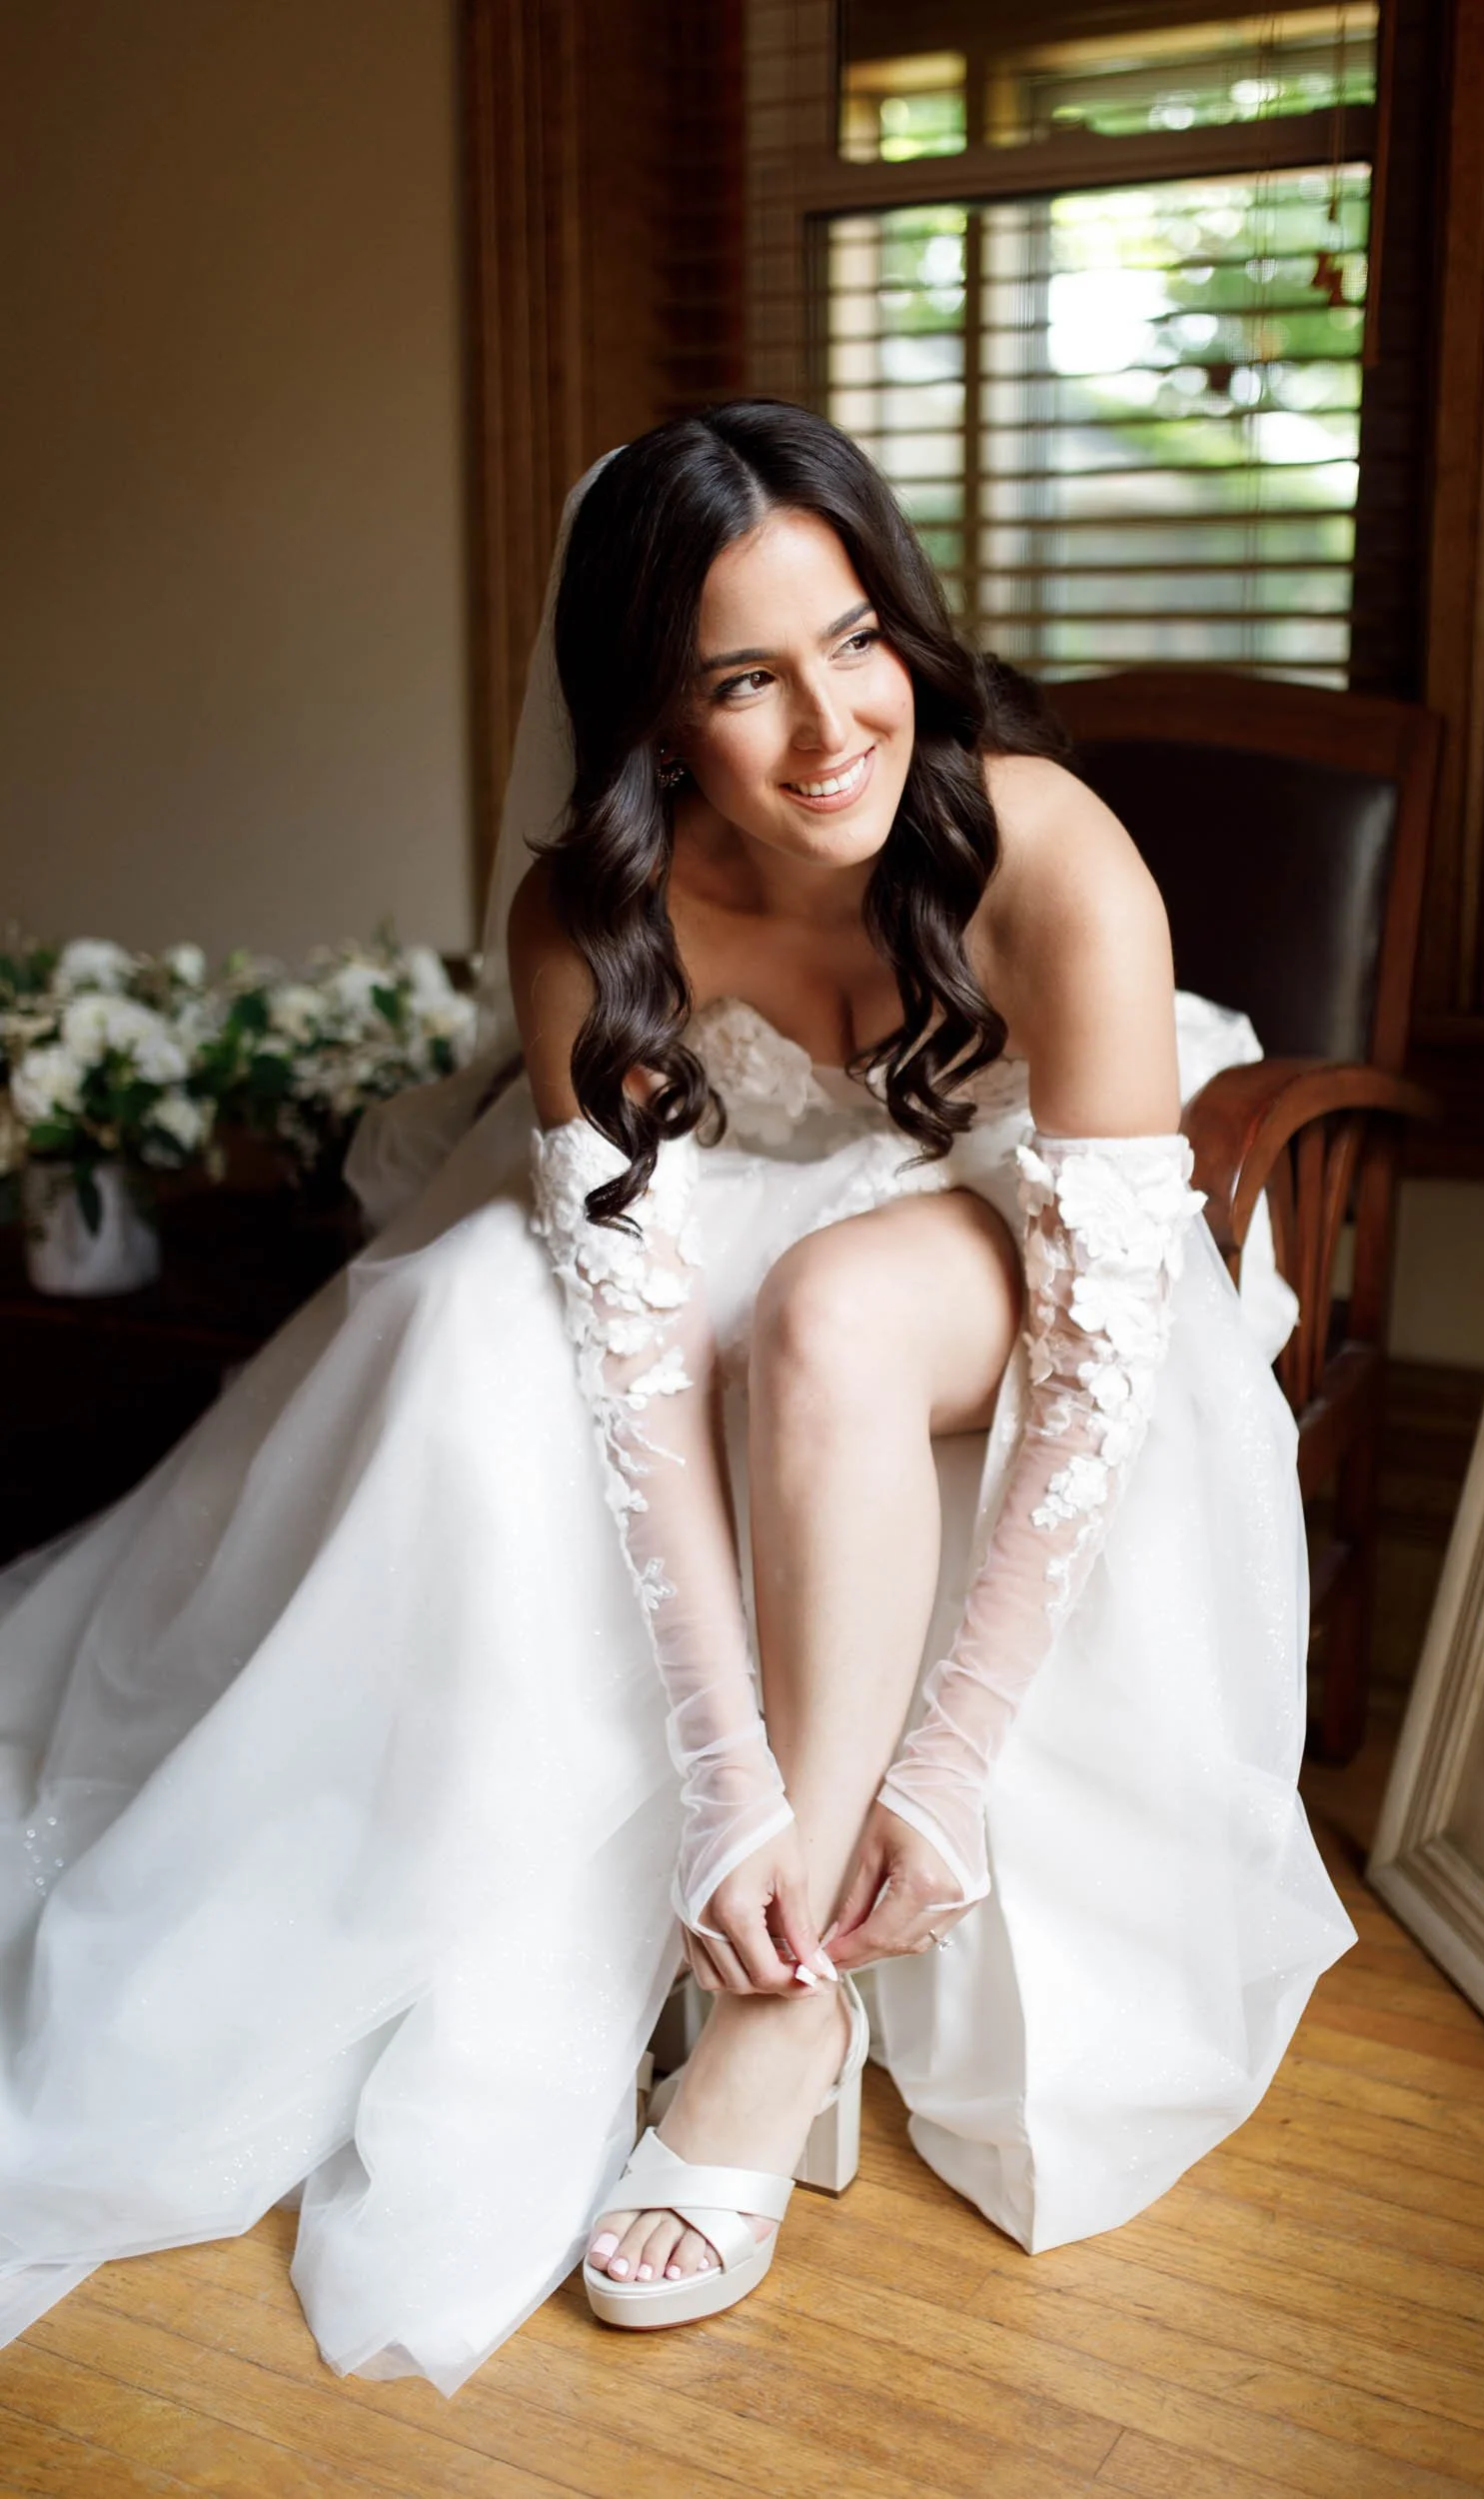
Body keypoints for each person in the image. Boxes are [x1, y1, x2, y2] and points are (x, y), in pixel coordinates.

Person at [0, 403, 1352, 2385]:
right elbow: (633, 1379)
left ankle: (778, 2008)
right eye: (743, 678)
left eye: (857, 642)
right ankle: (671, 1909)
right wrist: (711, 1773)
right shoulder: (588, 917)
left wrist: (947, 1760)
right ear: (649, 711)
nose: (829, 730)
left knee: (824, 1318)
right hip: (741, 1190)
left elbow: (1091, 1358)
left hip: (1022, 1208)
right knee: (476, 1324)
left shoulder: (1050, 854)